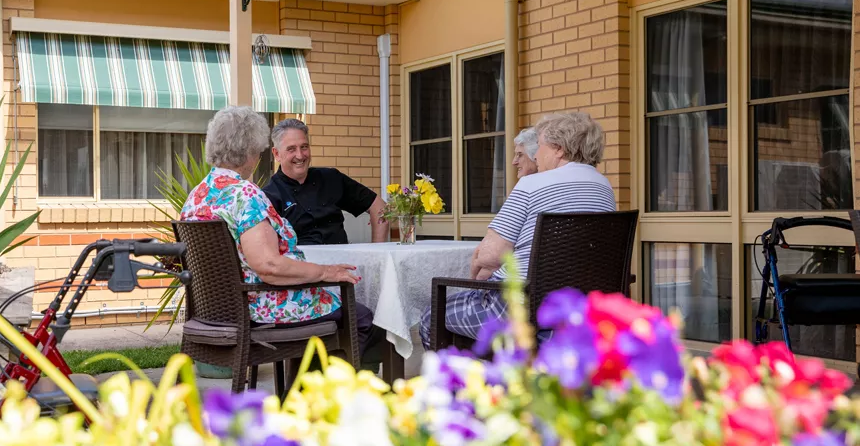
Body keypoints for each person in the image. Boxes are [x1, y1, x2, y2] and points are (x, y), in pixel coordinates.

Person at [181, 106, 385, 363]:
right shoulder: (246, 194)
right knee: (366, 320)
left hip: (219, 310)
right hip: (263, 307)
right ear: (251, 151)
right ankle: (331, 397)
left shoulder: (197, 197)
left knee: (346, 313)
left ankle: (305, 392)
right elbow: (268, 266)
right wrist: (325, 272)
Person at [419, 112, 616, 347]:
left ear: (559, 149)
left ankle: (469, 380)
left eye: (540, 146)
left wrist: (478, 278)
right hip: (578, 306)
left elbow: (490, 256)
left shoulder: (532, 184)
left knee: (432, 316)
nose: (537, 154)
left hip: (519, 307)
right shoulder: (604, 187)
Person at [262, 118, 388, 245]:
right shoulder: (269, 196)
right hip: (301, 263)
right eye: (291, 149)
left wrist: (377, 253)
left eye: (304, 147)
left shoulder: (331, 178)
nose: (300, 155)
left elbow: (379, 207)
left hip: (343, 261)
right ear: (276, 154)